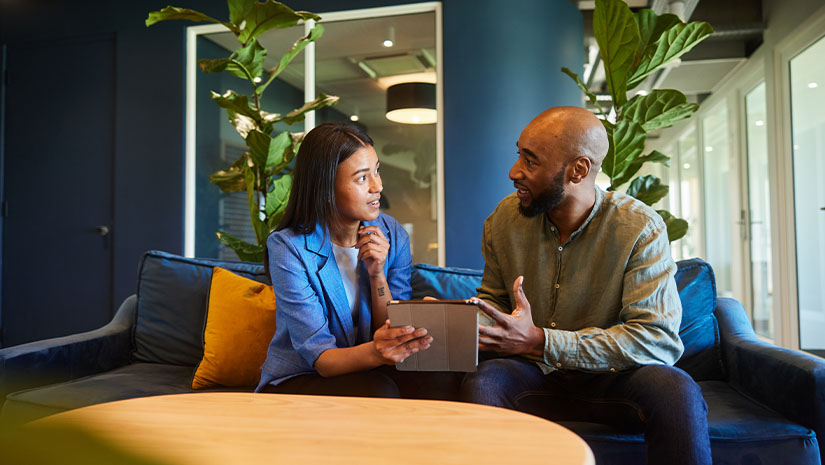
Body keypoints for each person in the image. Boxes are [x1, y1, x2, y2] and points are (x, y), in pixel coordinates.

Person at [461, 107, 712, 464]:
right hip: (535, 375)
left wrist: (541, 341)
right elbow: (495, 303)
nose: (514, 172)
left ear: (578, 170)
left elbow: (656, 339)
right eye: (519, 154)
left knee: (676, 390)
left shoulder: (640, 228)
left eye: (530, 162)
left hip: (616, 381)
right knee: (486, 381)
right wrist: (457, 320)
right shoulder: (505, 220)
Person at [255, 122, 433, 398]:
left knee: (440, 382)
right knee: (380, 390)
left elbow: (388, 330)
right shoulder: (288, 247)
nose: (378, 186)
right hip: (302, 377)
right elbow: (322, 358)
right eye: (362, 178)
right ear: (326, 186)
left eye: (377, 171)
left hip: (369, 369)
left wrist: (377, 275)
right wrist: (377, 351)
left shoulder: (393, 234)